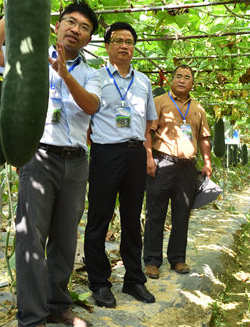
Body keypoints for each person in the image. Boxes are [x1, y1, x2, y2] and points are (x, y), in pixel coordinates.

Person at [0, 2, 101, 327]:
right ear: (57, 25)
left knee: (65, 239)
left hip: (76, 163)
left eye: (84, 27)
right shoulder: (30, 58)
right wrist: (17, 4)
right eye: (70, 22)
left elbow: (91, 106)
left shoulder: (93, 72)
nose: (76, 29)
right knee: (29, 238)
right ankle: (32, 317)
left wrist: (65, 75)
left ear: (89, 39)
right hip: (39, 158)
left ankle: (59, 305)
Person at [85, 22, 157, 307]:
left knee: (131, 219)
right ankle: (99, 283)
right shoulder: (96, 77)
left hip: (135, 153)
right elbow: (88, 112)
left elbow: (149, 122)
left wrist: (147, 153)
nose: (125, 45)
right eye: (118, 40)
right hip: (106, 154)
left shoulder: (144, 81)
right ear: (107, 46)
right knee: (99, 219)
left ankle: (134, 280)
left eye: (129, 41)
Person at [143, 65, 212, 279]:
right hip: (162, 162)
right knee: (156, 213)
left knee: (182, 214)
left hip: (187, 168)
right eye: (178, 76)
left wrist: (207, 161)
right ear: (171, 81)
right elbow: (148, 132)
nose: (182, 80)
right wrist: (148, 158)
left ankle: (178, 259)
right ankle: (152, 261)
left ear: (193, 84)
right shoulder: (159, 102)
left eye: (187, 77)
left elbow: (204, 137)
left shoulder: (198, 108)